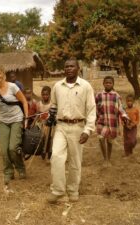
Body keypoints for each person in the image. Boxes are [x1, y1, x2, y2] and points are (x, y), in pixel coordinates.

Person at [47, 58, 96, 204]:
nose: (69, 69)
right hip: (61, 126)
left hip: (78, 126)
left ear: (78, 68)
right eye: (66, 66)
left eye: (72, 66)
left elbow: (92, 110)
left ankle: (73, 190)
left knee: (75, 161)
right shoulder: (57, 86)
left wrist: (87, 130)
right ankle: (58, 190)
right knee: (56, 156)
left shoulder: (86, 87)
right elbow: (54, 104)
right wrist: (51, 114)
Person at [95, 76, 128, 166]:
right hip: (101, 121)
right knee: (101, 138)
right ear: (103, 83)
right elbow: (95, 108)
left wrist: (124, 116)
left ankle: (108, 158)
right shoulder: (99, 95)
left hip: (112, 122)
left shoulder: (116, 96)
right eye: (106, 82)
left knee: (109, 141)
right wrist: (94, 118)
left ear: (113, 84)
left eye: (110, 83)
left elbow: (120, 108)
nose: (108, 84)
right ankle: (105, 159)